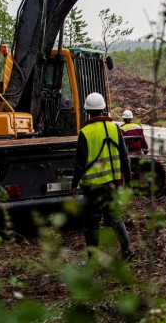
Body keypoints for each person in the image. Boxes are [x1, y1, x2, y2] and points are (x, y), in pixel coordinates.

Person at [70, 92, 133, 260]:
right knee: (114, 217)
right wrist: (128, 181)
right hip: (113, 183)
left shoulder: (85, 132)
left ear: (87, 111)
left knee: (91, 223)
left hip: (92, 187)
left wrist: (74, 184)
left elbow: (80, 164)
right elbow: (125, 157)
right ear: (103, 109)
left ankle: (93, 260)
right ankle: (127, 249)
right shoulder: (115, 128)